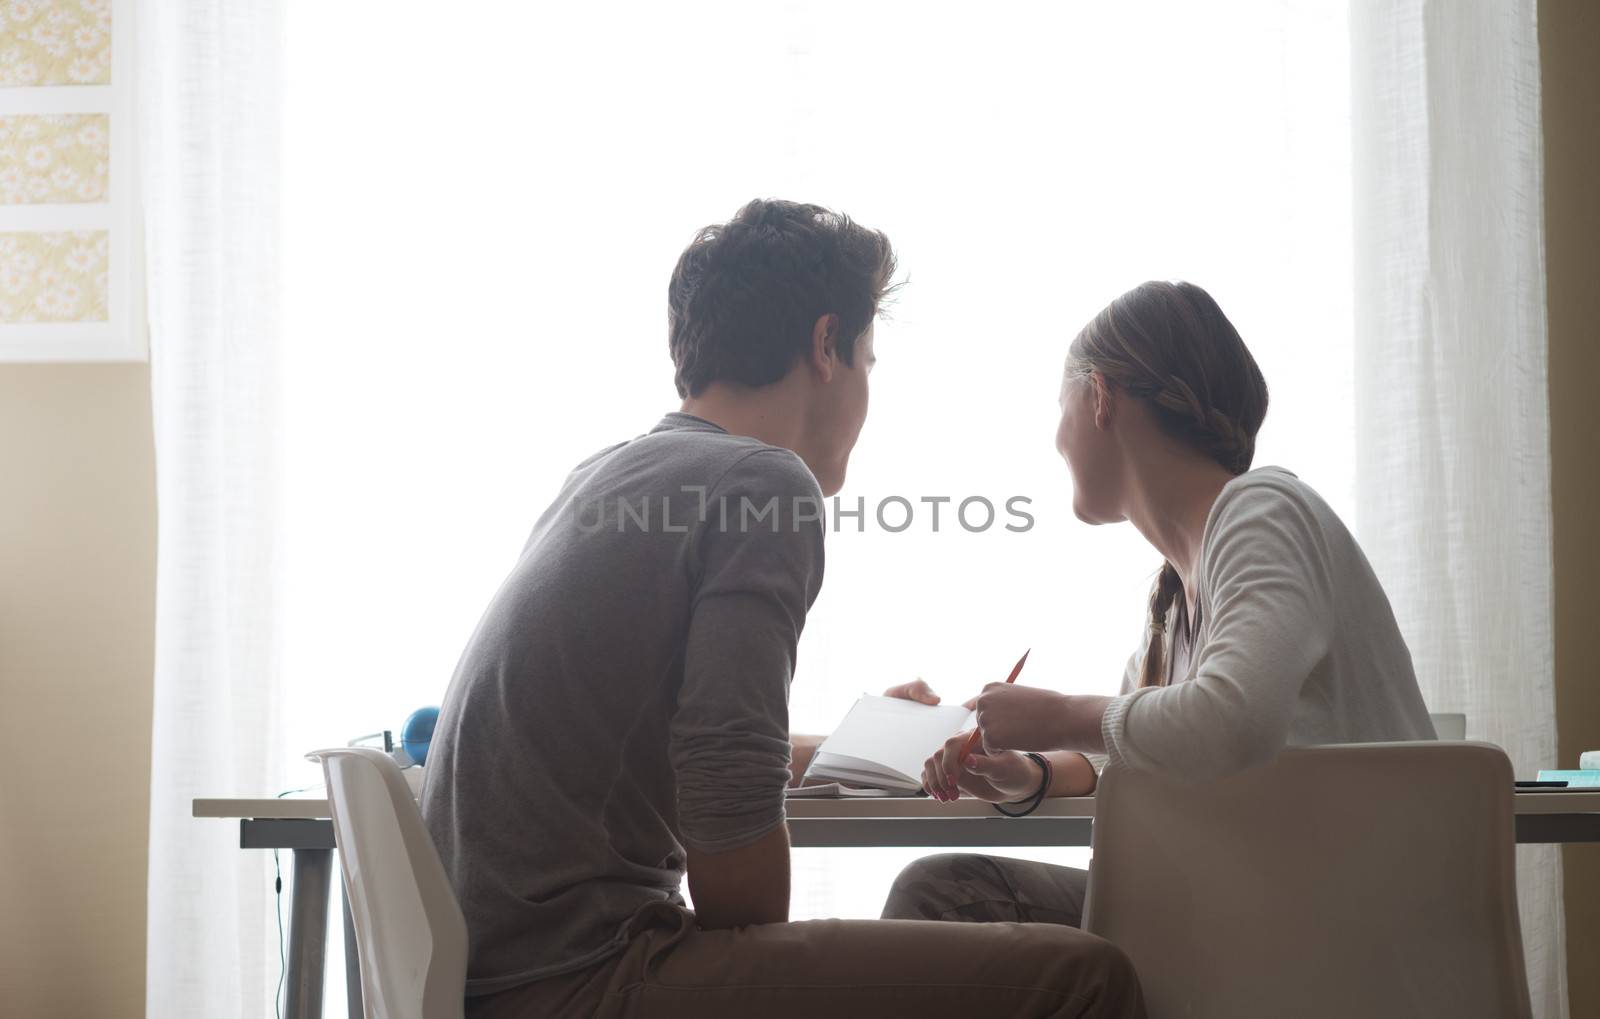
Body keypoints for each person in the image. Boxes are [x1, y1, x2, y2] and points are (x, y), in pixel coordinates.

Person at [422, 199, 1146, 1018]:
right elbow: (735, 858)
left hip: (496, 975)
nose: (868, 391)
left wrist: (862, 745)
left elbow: (669, 744)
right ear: (825, 345)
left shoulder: (608, 474)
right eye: (869, 362)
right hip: (588, 978)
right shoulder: (763, 484)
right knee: (1090, 978)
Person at [881, 280, 1435, 927]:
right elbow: (1133, 746)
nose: (1055, 436)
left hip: (1321, 920)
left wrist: (1058, 714)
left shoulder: (1264, 513)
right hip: (1246, 896)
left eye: (1058, 402)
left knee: (946, 894)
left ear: (1099, 397)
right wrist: (1024, 771)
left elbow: (1228, 723)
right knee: (944, 890)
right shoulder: (1172, 599)